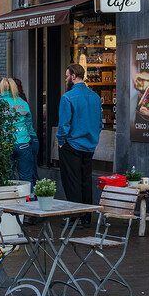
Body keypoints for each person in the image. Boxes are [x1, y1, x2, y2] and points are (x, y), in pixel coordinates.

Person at [57, 64, 102, 226]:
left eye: (67, 75)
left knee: (72, 181)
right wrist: (93, 139)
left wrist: (61, 142)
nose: (66, 79)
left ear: (74, 76)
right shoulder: (95, 97)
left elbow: (64, 125)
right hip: (89, 145)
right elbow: (99, 123)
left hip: (72, 144)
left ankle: (74, 217)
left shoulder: (68, 97)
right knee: (85, 180)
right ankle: (86, 217)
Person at [0, 78, 38, 187]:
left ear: (1, 88)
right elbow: (29, 125)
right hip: (24, 143)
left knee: (7, 177)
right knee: (26, 178)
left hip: (4, 145)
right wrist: (34, 141)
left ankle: (10, 201)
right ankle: (28, 200)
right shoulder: (22, 103)